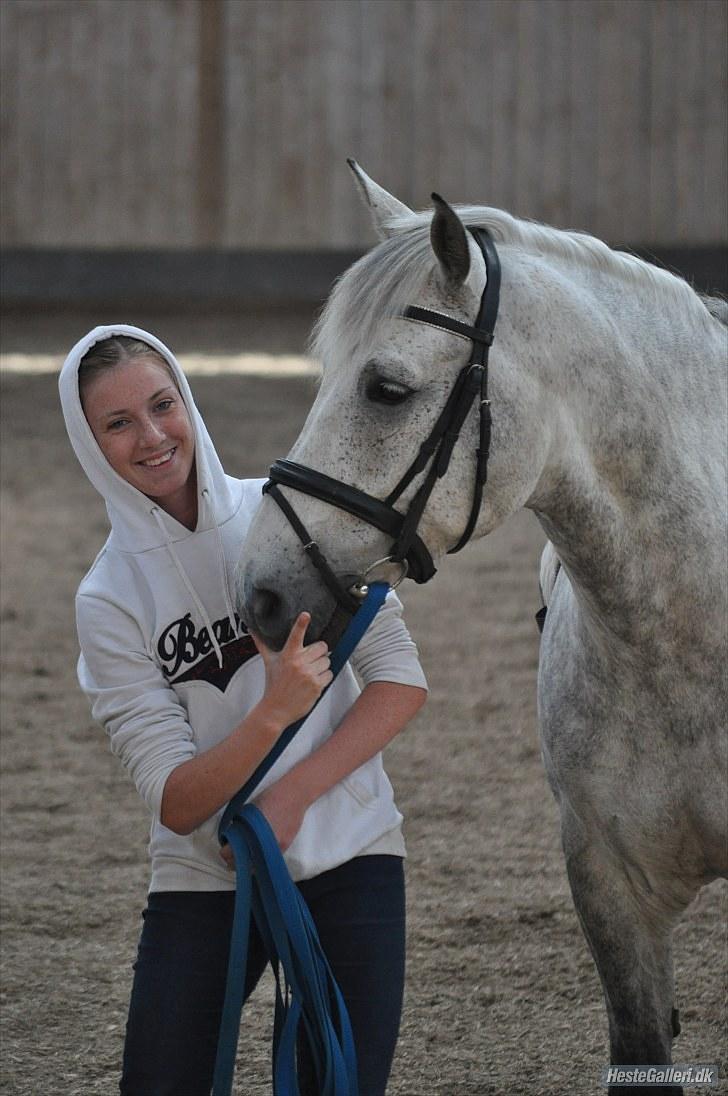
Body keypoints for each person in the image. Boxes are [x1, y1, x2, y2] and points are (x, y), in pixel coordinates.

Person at [59, 324, 428, 1096]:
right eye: (118, 424)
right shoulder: (108, 601)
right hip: (204, 879)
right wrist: (273, 714)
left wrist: (291, 796)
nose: (153, 437)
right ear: (89, 443)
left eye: (163, 406)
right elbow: (179, 801)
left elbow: (399, 679)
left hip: (352, 851)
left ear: (188, 403)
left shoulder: (287, 515)